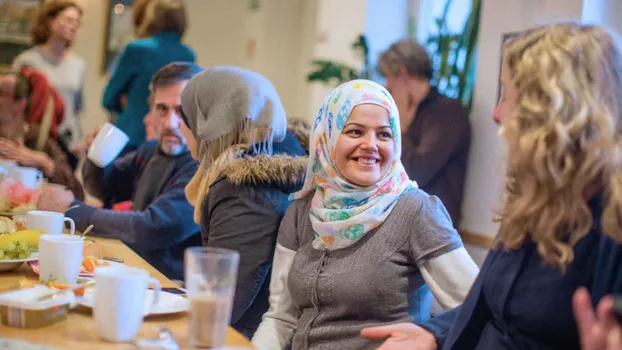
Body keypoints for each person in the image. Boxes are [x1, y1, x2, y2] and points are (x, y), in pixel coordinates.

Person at [362, 22, 622, 350]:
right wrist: (433, 333)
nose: (497, 113)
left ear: (552, 112)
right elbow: (485, 306)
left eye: (507, 95)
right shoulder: (532, 200)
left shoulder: (613, 225)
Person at [251, 79, 478, 349]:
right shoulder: (303, 208)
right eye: (355, 132)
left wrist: (432, 338)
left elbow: (478, 307)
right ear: (328, 137)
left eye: (384, 134)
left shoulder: (417, 211)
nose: (371, 144)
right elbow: (281, 319)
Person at [37, 62, 203, 281]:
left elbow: (152, 228)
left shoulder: (200, 165)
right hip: (132, 269)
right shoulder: (152, 150)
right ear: (151, 110)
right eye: (162, 109)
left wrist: (70, 209)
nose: (170, 123)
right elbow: (104, 189)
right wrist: (96, 157)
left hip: (169, 287)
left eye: (181, 112)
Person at [178, 67, 308, 338]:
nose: (180, 127)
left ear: (208, 120)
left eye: (185, 117)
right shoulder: (264, 168)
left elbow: (225, 302)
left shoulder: (244, 188)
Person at [379, 40, 471, 226]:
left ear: (403, 73)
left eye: (388, 77)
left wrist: (399, 127)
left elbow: (416, 172)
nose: (387, 84)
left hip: (433, 228)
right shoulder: (416, 110)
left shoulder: (447, 112)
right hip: (403, 221)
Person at [102, 0, 195, 151]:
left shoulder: (136, 49)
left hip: (132, 139)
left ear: (151, 17)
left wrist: (127, 106)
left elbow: (108, 99)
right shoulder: (188, 55)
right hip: (169, 141)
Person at [13, 0, 86, 170]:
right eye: (68, 20)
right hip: (35, 141)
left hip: (67, 145)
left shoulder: (78, 64)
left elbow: (77, 108)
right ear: (50, 21)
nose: (73, 26)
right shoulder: (28, 61)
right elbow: (14, 103)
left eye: (77, 22)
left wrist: (80, 141)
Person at [0, 70, 83, 200]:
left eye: (1, 93)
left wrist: (44, 163)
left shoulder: (40, 140)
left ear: (20, 103)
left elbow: (77, 194)